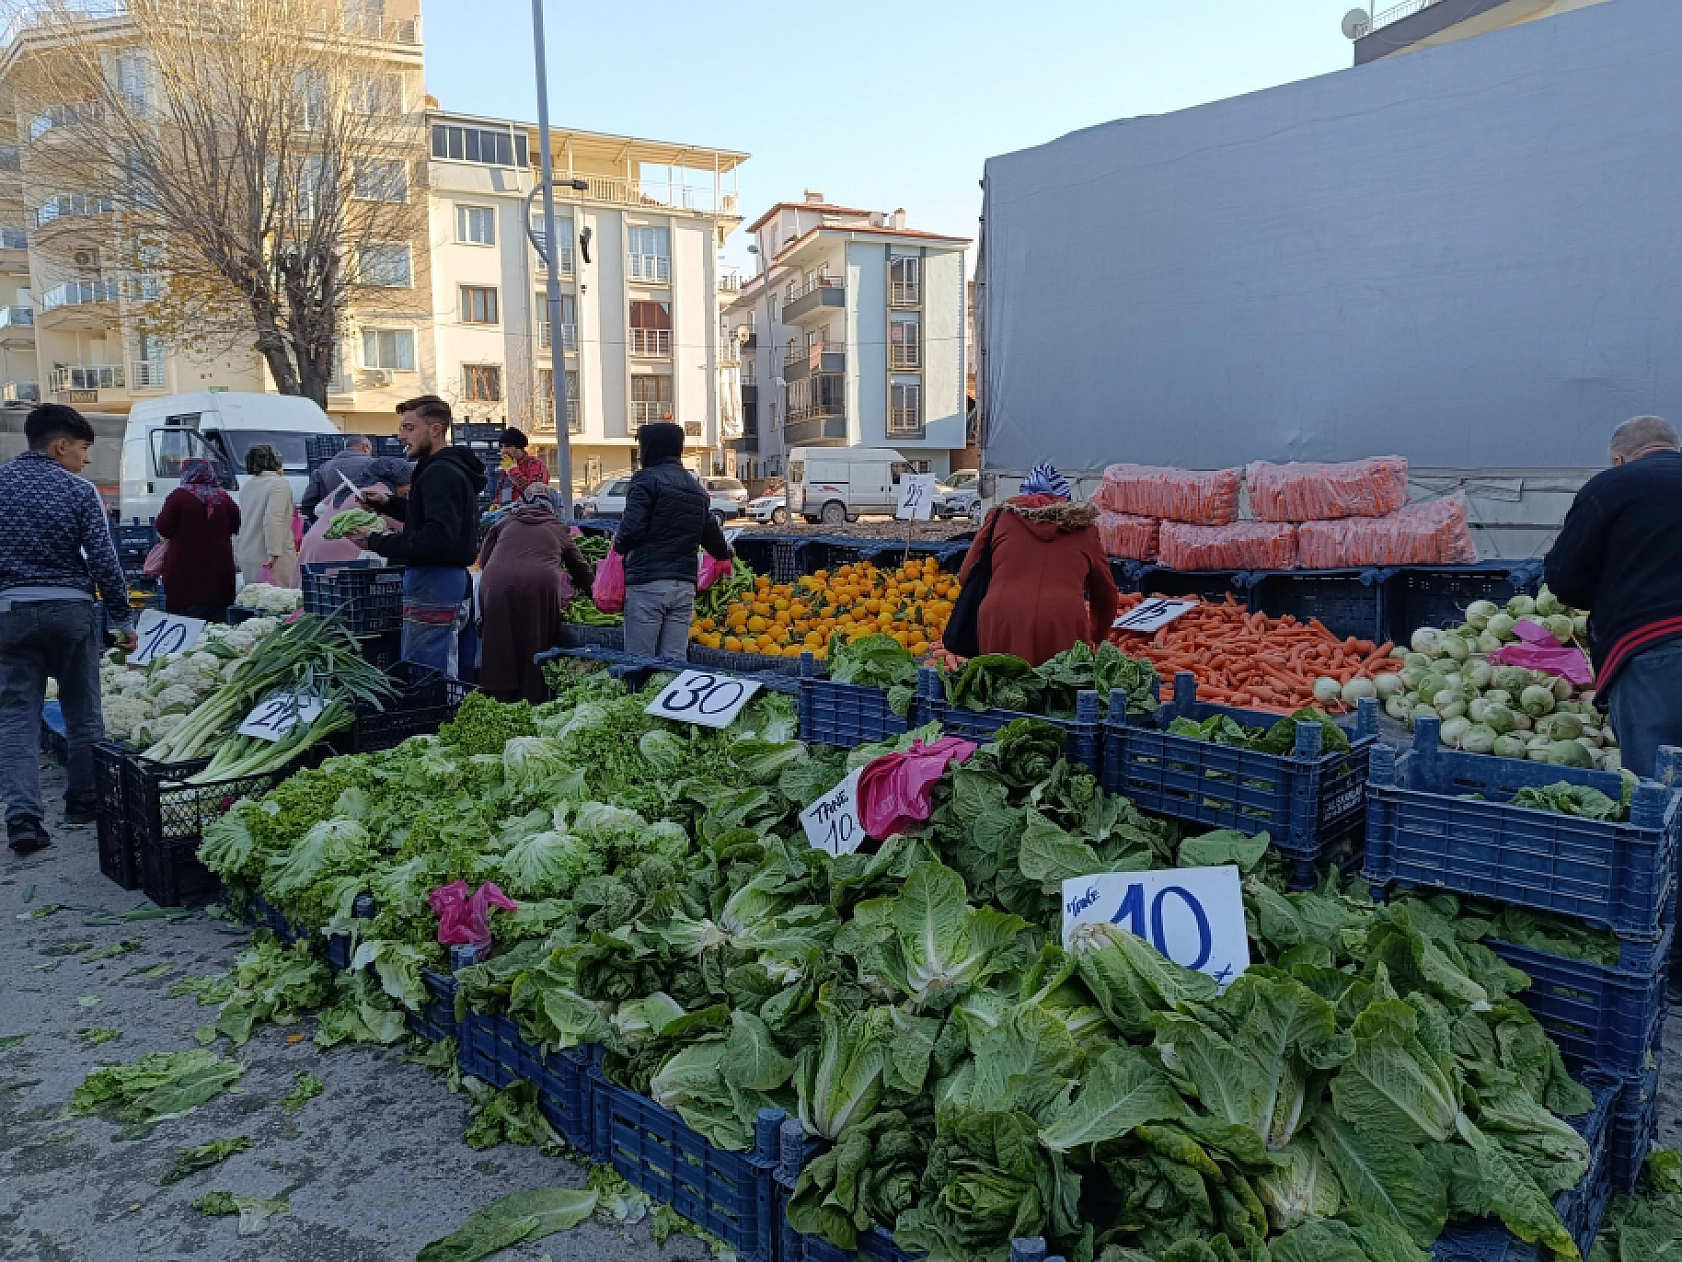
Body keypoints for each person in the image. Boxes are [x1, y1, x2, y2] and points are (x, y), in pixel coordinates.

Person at [0, 404, 136, 853]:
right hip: (71, 611)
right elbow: (104, 560)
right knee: (82, 711)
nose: (87, 458)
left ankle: (23, 819)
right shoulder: (79, 491)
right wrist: (122, 618)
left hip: (11, 611)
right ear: (60, 445)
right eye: (83, 448)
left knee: (16, 717)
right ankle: (84, 801)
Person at [1544, 415, 1682, 780]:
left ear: (1618, 459)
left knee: (1656, 784)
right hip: (1657, 649)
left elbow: (1565, 579)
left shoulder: (1610, 487)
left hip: (1652, 650)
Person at [348, 399, 487, 673]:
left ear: (435, 429)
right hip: (445, 580)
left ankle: (435, 703)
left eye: (409, 428)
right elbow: (432, 519)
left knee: (426, 670)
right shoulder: (445, 468)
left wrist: (375, 541)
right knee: (438, 663)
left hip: (434, 581)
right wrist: (388, 504)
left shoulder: (440, 473)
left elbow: (436, 538)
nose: (401, 436)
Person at [958, 461, 1118, 667]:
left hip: (1002, 618)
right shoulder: (1085, 529)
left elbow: (966, 574)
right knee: (1060, 684)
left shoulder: (999, 518)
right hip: (1063, 620)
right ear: (1065, 499)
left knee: (1003, 683)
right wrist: (1098, 634)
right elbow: (1105, 593)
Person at [613, 421, 733, 660]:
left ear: (652, 448)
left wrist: (618, 543)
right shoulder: (696, 489)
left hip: (648, 583)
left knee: (640, 661)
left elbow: (630, 532)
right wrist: (728, 551)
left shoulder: (645, 480)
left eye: (641, 448)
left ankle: (639, 687)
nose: (639, 456)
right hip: (684, 587)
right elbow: (715, 543)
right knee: (674, 662)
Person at [477, 483, 595, 704]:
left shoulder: (505, 521)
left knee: (499, 639)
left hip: (496, 582)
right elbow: (580, 568)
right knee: (535, 637)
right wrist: (595, 595)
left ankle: (498, 698)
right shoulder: (556, 527)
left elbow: (485, 557)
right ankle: (530, 699)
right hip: (538, 585)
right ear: (553, 506)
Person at [154, 456, 241, 619]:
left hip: (185, 572)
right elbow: (235, 525)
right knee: (217, 624)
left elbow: (163, 528)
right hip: (219, 571)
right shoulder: (223, 497)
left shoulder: (178, 497)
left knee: (185, 620)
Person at [298, 456, 411, 566]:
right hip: (340, 553)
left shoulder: (350, 485)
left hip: (312, 542)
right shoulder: (381, 495)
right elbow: (408, 528)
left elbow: (318, 510)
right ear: (401, 481)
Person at [235, 444, 299, 588]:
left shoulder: (248, 486)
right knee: (281, 598)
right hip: (271, 557)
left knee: (255, 598)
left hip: (248, 553)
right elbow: (274, 518)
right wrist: (274, 552)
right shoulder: (278, 485)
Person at [299, 435, 374, 522]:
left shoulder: (323, 468)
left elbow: (309, 503)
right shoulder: (373, 465)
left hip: (333, 524)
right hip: (368, 523)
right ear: (365, 447)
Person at [492, 427, 550, 506]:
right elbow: (503, 491)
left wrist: (512, 471)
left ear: (518, 447)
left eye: (507, 446)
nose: (503, 451)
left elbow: (534, 492)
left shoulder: (535, 464)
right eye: (501, 447)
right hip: (508, 510)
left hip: (528, 511)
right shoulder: (506, 467)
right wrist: (497, 503)